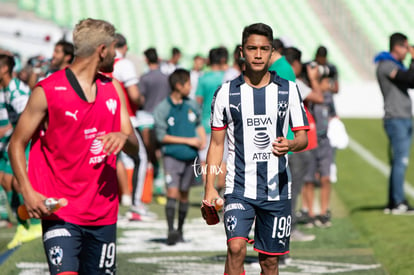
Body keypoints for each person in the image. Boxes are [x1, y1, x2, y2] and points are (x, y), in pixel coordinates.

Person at [8, 18, 139, 274]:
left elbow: (133, 144)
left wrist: (124, 139)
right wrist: (28, 191)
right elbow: (16, 143)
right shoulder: (47, 90)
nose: (117, 54)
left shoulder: (113, 89)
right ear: (103, 50)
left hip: (103, 214)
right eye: (114, 48)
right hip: (61, 212)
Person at [204, 23, 309, 275]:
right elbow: (217, 144)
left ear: (272, 51)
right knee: (236, 248)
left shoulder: (289, 90)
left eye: (264, 49)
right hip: (238, 187)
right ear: (242, 51)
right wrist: (209, 186)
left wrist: (291, 144)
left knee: (270, 262)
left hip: (277, 190)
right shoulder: (226, 93)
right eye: (252, 48)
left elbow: (302, 138)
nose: (258, 54)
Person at [154, 69, 205, 245]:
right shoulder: (163, 108)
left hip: (191, 157)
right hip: (172, 157)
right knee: (172, 192)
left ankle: (180, 230)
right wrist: (188, 140)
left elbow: (197, 124)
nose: (191, 87)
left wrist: (202, 138)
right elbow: (161, 137)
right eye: (188, 84)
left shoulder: (191, 105)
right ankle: (170, 231)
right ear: (178, 85)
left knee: (184, 194)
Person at [374, 32, 414, 214]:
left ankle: (393, 201)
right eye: (406, 47)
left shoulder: (394, 64)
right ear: (398, 47)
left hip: (402, 117)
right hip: (396, 118)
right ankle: (398, 202)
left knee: (398, 161)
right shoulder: (386, 64)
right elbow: (408, 78)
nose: (407, 51)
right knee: (401, 161)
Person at [0, 54, 36, 249]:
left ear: (5, 69)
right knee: (5, 181)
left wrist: (13, 138)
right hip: (14, 141)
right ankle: (22, 226)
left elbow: (28, 120)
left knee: (20, 182)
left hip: (26, 141)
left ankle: (36, 224)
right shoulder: (5, 89)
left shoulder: (16, 91)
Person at [196, 48, 227, 193]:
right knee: (223, 159)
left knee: (205, 160)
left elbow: (198, 102)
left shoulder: (203, 78)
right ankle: (220, 190)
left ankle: (208, 189)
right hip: (224, 123)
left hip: (205, 124)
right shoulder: (228, 77)